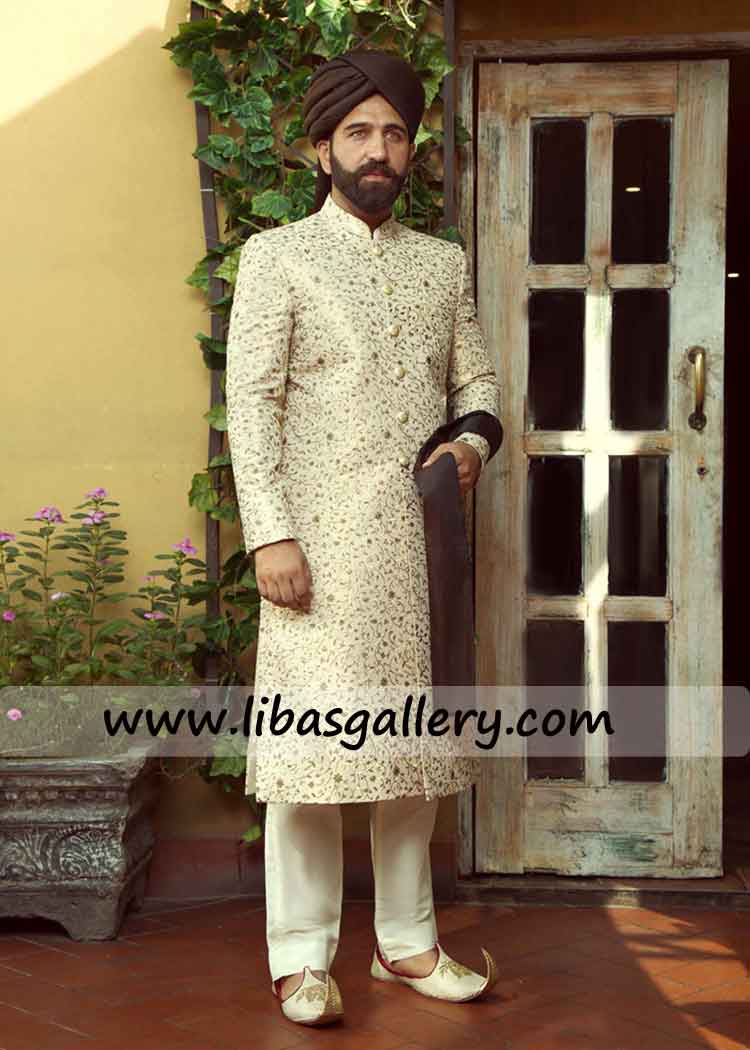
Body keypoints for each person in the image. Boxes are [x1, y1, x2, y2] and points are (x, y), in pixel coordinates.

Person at [224, 48, 503, 1026]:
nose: (377, 149)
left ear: (411, 147)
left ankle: (406, 943)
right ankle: (302, 960)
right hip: (316, 553)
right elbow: (251, 407)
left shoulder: (440, 265)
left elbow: (478, 385)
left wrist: (470, 444)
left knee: (411, 750)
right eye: (357, 133)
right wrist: (270, 537)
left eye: (393, 132)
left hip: (419, 548)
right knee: (309, 757)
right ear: (322, 149)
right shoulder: (279, 258)